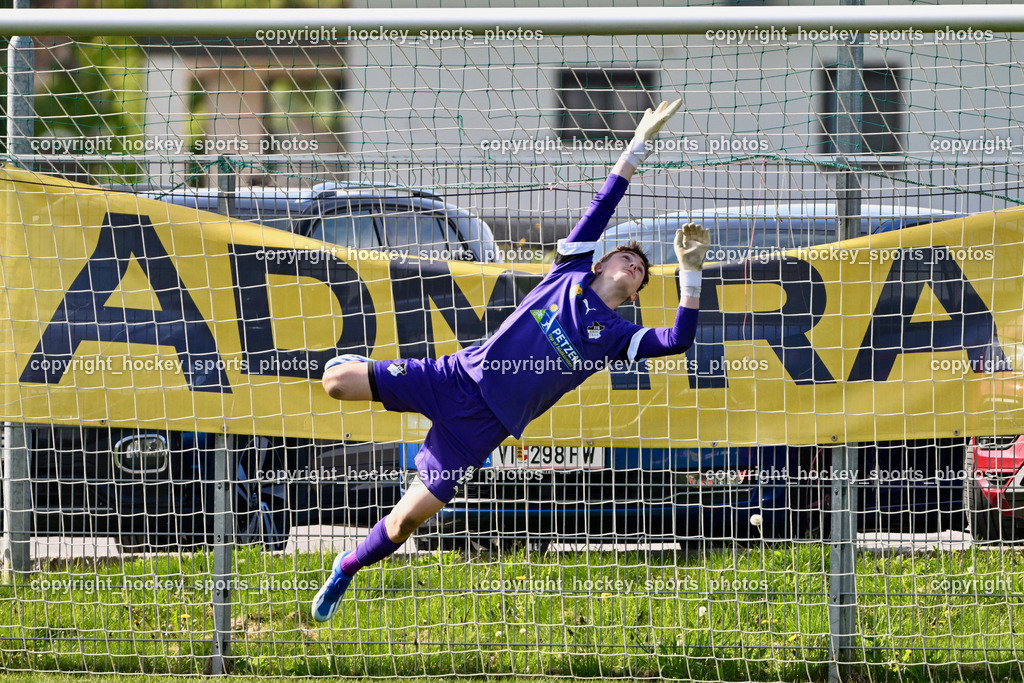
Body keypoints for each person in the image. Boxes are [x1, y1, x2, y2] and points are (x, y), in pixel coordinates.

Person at [312, 99, 710, 621]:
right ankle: (366, 370)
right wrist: (637, 146)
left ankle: (345, 567)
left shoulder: (617, 336)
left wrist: (690, 271)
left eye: (639, 268)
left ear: (635, 293)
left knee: (405, 523)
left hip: (481, 428)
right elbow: (604, 202)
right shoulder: (568, 270)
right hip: (455, 378)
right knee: (336, 382)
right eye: (625, 256)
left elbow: (677, 340)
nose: (633, 264)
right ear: (602, 261)